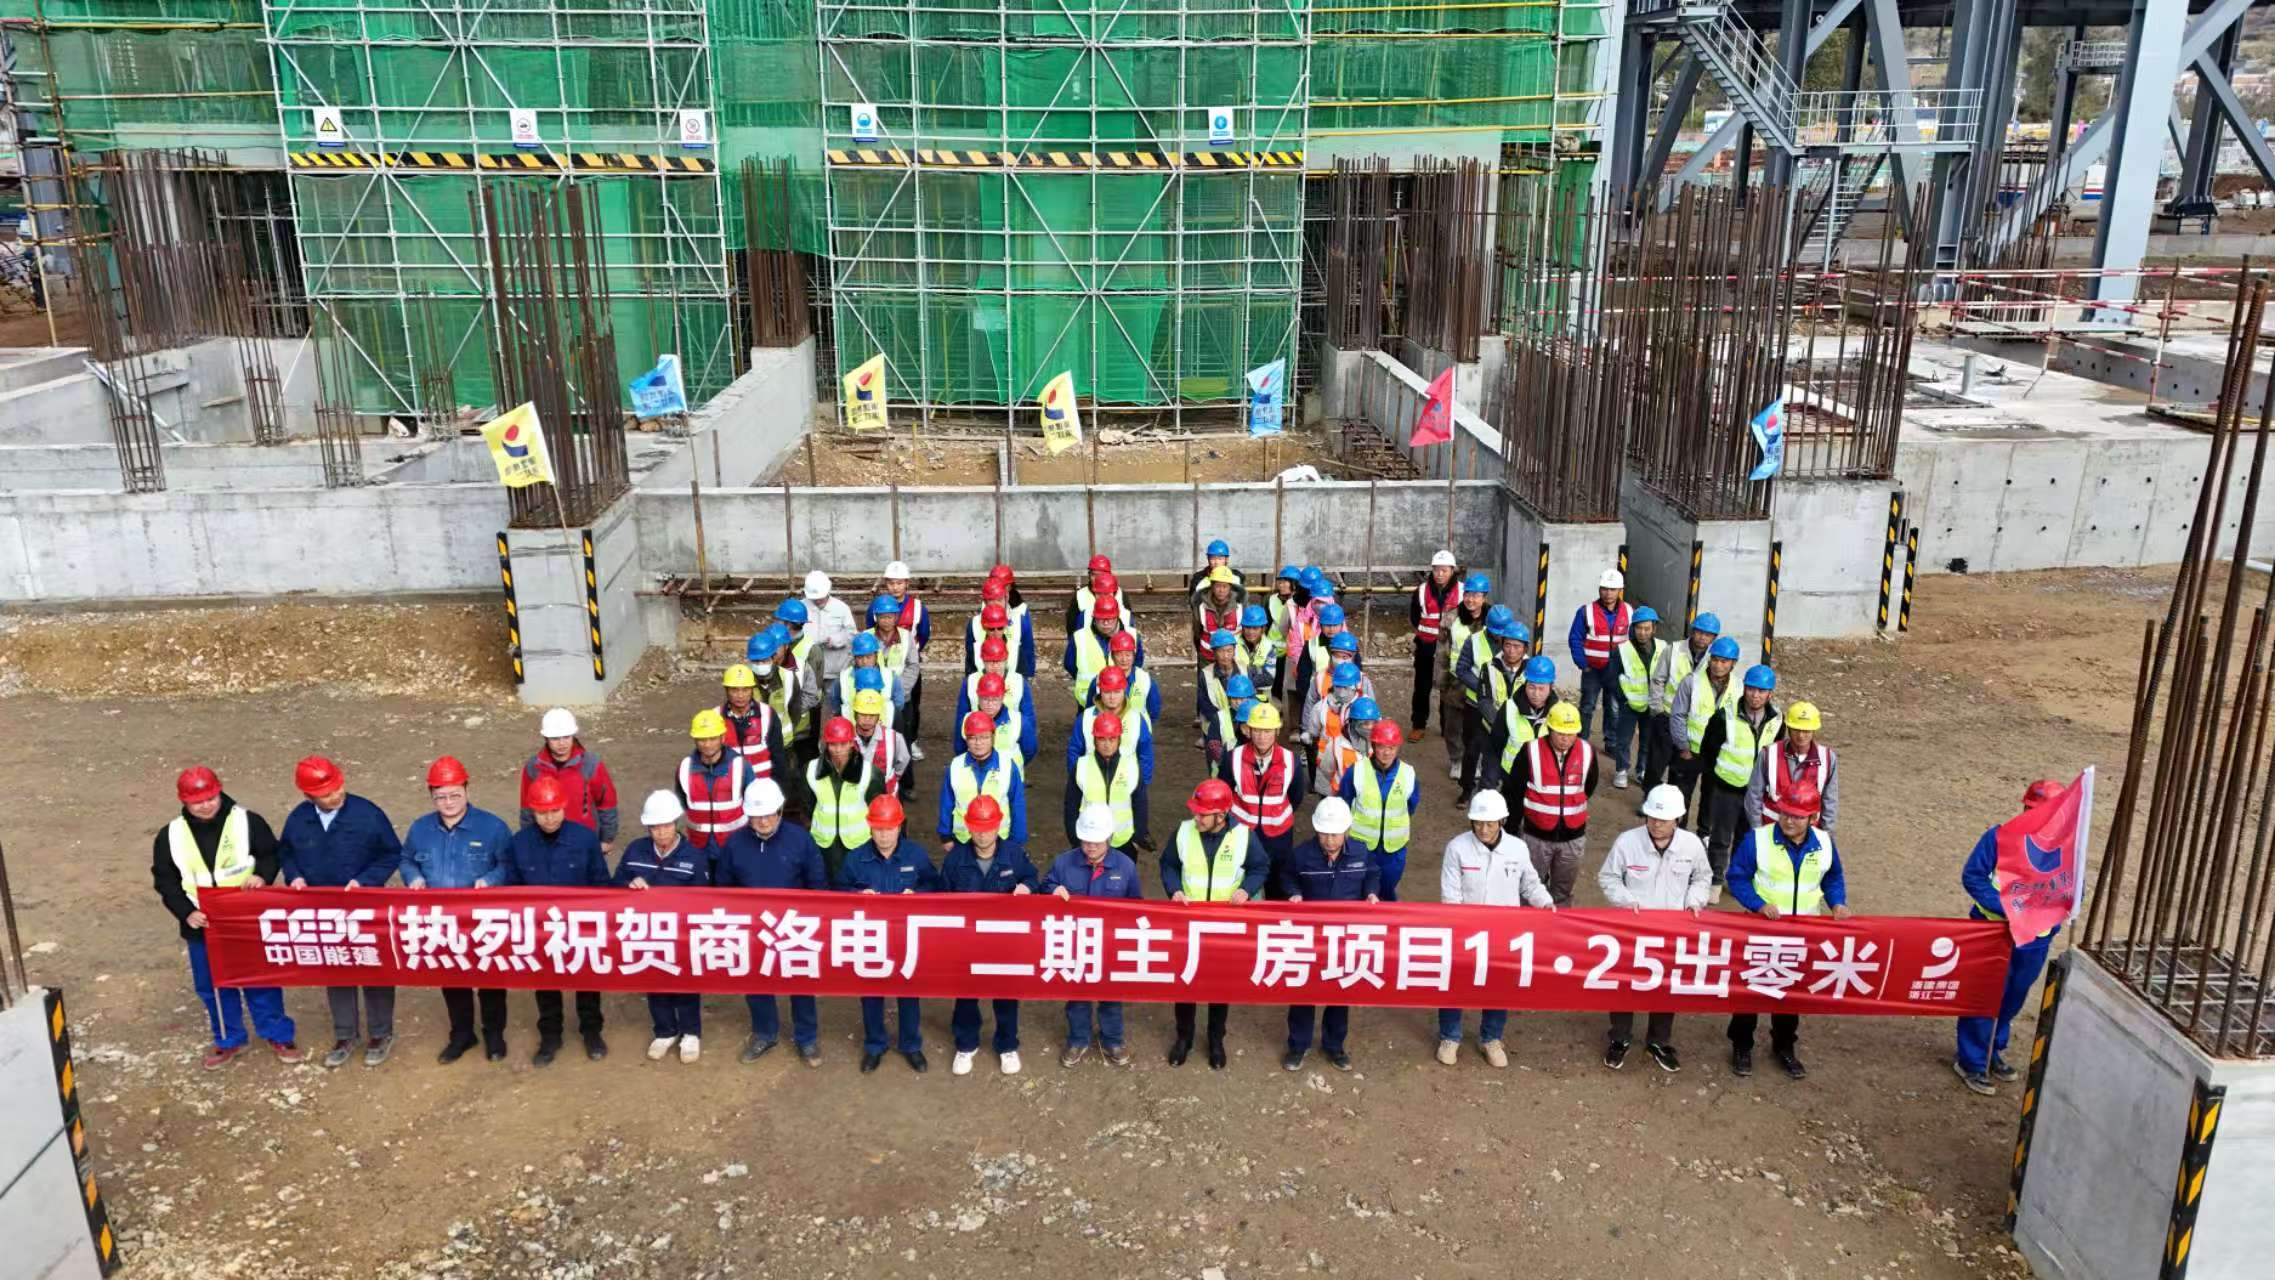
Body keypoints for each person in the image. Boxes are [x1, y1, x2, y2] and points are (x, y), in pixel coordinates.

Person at [151, 766, 300, 1068]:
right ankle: (228, 1039)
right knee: (214, 986)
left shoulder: (247, 822)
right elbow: (165, 880)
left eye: (210, 798)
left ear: (220, 792)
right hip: (203, 924)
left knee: (260, 979)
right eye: (197, 801)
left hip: (246, 919)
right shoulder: (171, 835)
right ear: (184, 801)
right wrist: (186, 913)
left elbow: (271, 854)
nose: (206, 805)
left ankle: (277, 1034)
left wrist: (262, 875)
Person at [279, 754, 402, 1069]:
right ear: (308, 795)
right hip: (323, 911)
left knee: (374, 967)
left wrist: (365, 881)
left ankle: (381, 1033)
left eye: (337, 788)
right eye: (326, 793)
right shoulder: (298, 819)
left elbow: (391, 853)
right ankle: (345, 1035)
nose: (335, 795)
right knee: (337, 970)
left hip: (365, 907)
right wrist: (295, 876)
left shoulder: (368, 814)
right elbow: (286, 853)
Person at [1725, 779, 1850, 1080]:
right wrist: (1757, 904)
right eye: (1784, 813)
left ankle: (1784, 1046)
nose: (1788, 821)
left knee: (1791, 992)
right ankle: (1741, 1045)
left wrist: (1837, 903)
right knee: (1750, 990)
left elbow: (1832, 877)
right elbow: (1737, 876)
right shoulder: (1758, 840)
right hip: (1761, 932)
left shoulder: (1824, 844)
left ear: (1812, 818)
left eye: (1797, 816)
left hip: (1801, 935)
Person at [399, 755, 514, 1064]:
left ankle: (494, 1034)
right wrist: (414, 877)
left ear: (467, 789)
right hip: (442, 921)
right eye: (440, 797)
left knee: (490, 980)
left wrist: (491, 880)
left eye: (454, 795)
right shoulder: (421, 829)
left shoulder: (492, 827)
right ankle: (462, 1035)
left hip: (483, 919)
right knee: (452, 978)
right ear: (431, 795)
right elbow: (407, 858)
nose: (448, 803)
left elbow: (509, 863)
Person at [1954, 779, 2065, 1096]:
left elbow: (2073, 889)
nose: (2034, 816)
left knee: (2014, 996)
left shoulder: (2066, 848)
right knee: (1984, 995)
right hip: (1993, 933)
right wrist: (2007, 908)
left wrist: (2053, 916)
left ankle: (1993, 1050)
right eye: (2030, 809)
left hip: (2033, 940)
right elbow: (1973, 876)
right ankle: (1972, 1061)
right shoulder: (1998, 837)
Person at [712, 779, 828, 1066]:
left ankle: (807, 1038)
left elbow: (817, 884)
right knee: (756, 982)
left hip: (794, 927)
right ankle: (765, 1033)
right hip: (753, 929)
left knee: (801, 983)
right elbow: (723, 887)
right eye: (756, 816)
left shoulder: (800, 840)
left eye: (768, 815)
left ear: (779, 810)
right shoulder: (735, 844)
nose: (763, 821)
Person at [1435, 790, 1553, 1068]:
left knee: (1499, 983)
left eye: (1490, 823)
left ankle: (1491, 1038)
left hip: (1504, 930)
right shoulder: (1457, 848)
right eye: (1478, 823)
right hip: (1465, 929)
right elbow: (1451, 893)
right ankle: (1450, 1036)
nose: (1483, 829)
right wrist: (1458, 924)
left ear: (1502, 821)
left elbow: (1530, 884)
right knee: (1455, 981)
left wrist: (1546, 903)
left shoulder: (1517, 849)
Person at [1598, 784, 1710, 1072]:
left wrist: (1694, 902)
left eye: (1664, 819)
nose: (1656, 824)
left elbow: (1702, 878)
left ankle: (1659, 1041)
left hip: (1672, 930)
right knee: (1624, 982)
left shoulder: (1692, 846)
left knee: (1667, 985)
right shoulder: (1628, 842)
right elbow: (1609, 877)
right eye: (1652, 817)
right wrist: (1626, 901)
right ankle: (1619, 1037)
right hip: (1632, 928)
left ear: (1678, 819)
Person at [500, 776, 613, 1065]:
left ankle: (592, 1031)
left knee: (587, 979)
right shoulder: (519, 844)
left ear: (564, 807)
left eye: (554, 811)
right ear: (532, 811)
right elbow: (512, 888)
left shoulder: (585, 839)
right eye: (542, 812)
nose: (549, 818)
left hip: (580, 925)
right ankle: (550, 1036)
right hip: (541, 929)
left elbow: (601, 882)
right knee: (545, 981)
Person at [1163, 780, 1268, 1069]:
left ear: (1221, 816)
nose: (1196, 817)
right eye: (1195, 812)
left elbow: (1260, 866)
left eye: (1202, 814)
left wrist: (1246, 889)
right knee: (1186, 982)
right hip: (1188, 923)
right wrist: (1174, 890)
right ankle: (1183, 1038)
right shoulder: (1183, 832)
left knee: (1220, 985)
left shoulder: (1243, 836)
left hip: (1225, 926)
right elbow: (1168, 864)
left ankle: (1216, 1039)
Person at [836, 796, 940, 1072]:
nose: (884, 835)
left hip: (905, 936)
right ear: (870, 827)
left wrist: (917, 894)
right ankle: (874, 1045)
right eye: (878, 829)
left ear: (900, 826)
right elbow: (837, 892)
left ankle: (911, 1045)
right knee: (871, 993)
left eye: (890, 828)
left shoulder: (915, 855)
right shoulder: (856, 858)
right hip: (870, 938)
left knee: (909, 992)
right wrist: (857, 894)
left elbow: (935, 885)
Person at [1279, 797, 1378, 1072]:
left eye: (1335, 834)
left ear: (1346, 831)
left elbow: (1373, 874)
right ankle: (1298, 1046)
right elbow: (1287, 876)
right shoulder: (1302, 855)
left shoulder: (1361, 852)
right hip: (1311, 936)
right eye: (1324, 834)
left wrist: (1371, 892)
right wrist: (1294, 892)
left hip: (1345, 936)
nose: (1329, 840)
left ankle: (1334, 1046)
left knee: (1340, 991)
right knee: (1304, 991)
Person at [942, 795, 1038, 1076]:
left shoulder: (1014, 855)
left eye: (988, 828)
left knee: (1006, 994)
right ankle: (966, 1044)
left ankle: (1007, 1045)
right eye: (977, 828)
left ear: (998, 826)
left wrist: (1027, 887)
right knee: (966, 995)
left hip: (1004, 941)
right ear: (968, 827)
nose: (983, 834)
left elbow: (1033, 878)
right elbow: (940, 898)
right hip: (966, 941)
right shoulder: (955, 859)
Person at [1043, 804, 1145, 1067]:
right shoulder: (1064, 863)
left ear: (1109, 838)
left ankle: (1112, 1039)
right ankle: (1078, 1039)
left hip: (1111, 943)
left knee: (1111, 992)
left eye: (1096, 842)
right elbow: (1046, 885)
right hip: (1076, 941)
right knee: (1077, 993)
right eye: (1086, 841)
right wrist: (1053, 890)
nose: (1090, 847)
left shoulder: (1125, 866)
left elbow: (1136, 904)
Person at [614, 791, 711, 1064]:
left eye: (666, 825)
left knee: (686, 981)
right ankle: (665, 1031)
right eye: (655, 827)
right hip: (648, 932)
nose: (661, 832)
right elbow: (615, 882)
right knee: (655, 979)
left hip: (682, 934)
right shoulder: (635, 851)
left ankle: (690, 1032)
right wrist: (628, 884)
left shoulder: (694, 857)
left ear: (676, 823)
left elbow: (704, 899)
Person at [1502, 702, 1599, 907]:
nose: (1565, 738)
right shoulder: (1531, 751)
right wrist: (1511, 830)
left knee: (1563, 891)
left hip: (1572, 837)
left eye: (1570, 734)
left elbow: (1589, 786)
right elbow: (1514, 791)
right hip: (1536, 837)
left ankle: (1559, 924)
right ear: (1550, 728)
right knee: (1529, 888)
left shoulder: (1587, 752)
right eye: (1560, 733)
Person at [1698, 664, 1781, 900]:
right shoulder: (1724, 716)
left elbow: (1777, 754)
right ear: (1744, 688)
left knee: (1746, 838)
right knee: (1720, 837)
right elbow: (1708, 750)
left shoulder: (1777, 721)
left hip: (1756, 793)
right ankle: (1715, 881)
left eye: (1761, 691)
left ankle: (1735, 880)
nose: (1755, 695)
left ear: (1770, 694)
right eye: (1751, 689)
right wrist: (1716, 780)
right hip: (1727, 788)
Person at [1219, 702, 1308, 897]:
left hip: (1278, 839)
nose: (1262, 736)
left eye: (1267, 731)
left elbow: (1295, 797)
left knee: (1278, 891)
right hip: (1242, 836)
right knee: (1242, 891)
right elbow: (1224, 794)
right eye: (1257, 731)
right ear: (1248, 731)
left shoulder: (1291, 761)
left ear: (1277, 731)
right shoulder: (1232, 758)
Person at [1669, 634, 1741, 849]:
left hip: (1718, 754)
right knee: (1681, 794)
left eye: (1724, 661)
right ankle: (1678, 832)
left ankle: (1704, 833)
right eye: (1715, 660)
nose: (1718, 665)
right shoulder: (1691, 681)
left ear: (1733, 664)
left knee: (1711, 795)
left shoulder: (1739, 687)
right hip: (1690, 751)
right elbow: (1678, 715)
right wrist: (1683, 747)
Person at [520, 707, 621, 854]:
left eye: (566, 737)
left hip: (584, 839)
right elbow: (527, 806)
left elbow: (607, 803)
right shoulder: (534, 767)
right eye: (555, 738)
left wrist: (607, 839)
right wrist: (528, 838)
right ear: (546, 738)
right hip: (546, 838)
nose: (562, 743)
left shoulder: (591, 764)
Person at [1339, 720, 1420, 901]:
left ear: (1398, 748)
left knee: (1386, 892)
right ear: (1374, 745)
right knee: (1359, 893)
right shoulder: (1357, 771)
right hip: (1361, 848)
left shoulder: (1408, 774)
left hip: (1393, 851)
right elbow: (1344, 803)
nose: (1386, 752)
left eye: (1391, 747)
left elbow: (1411, 805)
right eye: (1382, 747)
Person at [1455, 605, 1526, 795]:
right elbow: (1461, 669)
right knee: (1472, 750)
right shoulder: (1474, 641)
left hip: (1509, 715)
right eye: (1497, 633)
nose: (1500, 638)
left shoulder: (1519, 652)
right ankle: (1466, 789)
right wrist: (1484, 686)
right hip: (1476, 706)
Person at [1648, 611, 1720, 792]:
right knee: (1656, 763)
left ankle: (1674, 803)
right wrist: (1657, 710)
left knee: (1681, 770)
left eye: (1708, 635)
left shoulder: (1715, 658)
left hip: (1691, 725)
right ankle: (1649, 796)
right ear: (1692, 631)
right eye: (1700, 632)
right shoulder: (1673, 650)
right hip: (1666, 717)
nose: (1703, 637)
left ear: (1714, 638)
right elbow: (1658, 680)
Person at [805, 715, 883, 878]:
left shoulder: (869, 773)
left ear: (851, 743)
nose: (838, 750)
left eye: (843, 744)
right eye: (833, 744)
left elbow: (878, 811)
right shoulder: (810, 770)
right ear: (826, 744)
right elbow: (808, 805)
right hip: (824, 846)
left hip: (859, 845)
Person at [1568, 568, 1633, 762]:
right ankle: (1581, 741)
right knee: (1587, 706)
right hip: (1593, 670)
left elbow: (1633, 641)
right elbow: (1575, 638)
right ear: (1599, 589)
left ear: (1620, 590)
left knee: (1613, 707)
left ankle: (1611, 743)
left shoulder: (1629, 612)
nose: (1608, 593)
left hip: (1616, 670)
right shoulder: (1586, 611)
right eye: (1604, 588)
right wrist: (1583, 664)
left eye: (1612, 589)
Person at [940, 710, 1028, 852]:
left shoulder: (1008, 766)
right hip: (963, 841)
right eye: (972, 738)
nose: (978, 743)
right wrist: (945, 836)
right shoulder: (955, 766)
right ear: (966, 739)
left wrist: (1017, 841)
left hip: (1000, 840)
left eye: (984, 737)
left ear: (993, 737)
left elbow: (1017, 804)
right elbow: (947, 802)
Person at [1746, 700, 1839, 831]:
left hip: (1808, 834)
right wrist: (1757, 832)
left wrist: (1826, 836)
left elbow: (1830, 802)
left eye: (1806, 731)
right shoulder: (1769, 754)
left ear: (1813, 731)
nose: (1801, 735)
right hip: (1771, 830)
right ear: (1788, 728)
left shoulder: (1828, 758)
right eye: (1796, 729)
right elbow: (1754, 796)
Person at [1067, 711, 1150, 856]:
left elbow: (1140, 804)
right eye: (1102, 739)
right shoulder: (1081, 766)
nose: (1107, 745)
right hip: (1090, 842)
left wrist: (1137, 838)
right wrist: (1075, 840)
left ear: (1119, 739)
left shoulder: (1132, 767)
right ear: (1094, 740)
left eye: (1112, 739)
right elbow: (1070, 805)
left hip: (1123, 843)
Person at [1438, 572, 1492, 772]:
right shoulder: (1451, 618)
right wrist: (1441, 681)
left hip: (1483, 682)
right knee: (1453, 725)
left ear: (1484, 597)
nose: (1470, 599)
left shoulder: (1492, 619)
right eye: (1467, 594)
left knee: (1480, 725)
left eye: (1476, 595)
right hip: (1455, 681)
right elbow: (1442, 651)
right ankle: (1456, 760)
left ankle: (1475, 761)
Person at [1610, 605, 1667, 792]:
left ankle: (1641, 770)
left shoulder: (1663, 648)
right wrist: (1622, 698)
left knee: (1647, 741)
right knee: (1623, 739)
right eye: (1639, 628)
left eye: (1647, 628)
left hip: (1653, 704)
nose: (1642, 632)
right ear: (1633, 628)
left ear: (1654, 628)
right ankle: (1621, 770)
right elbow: (1611, 678)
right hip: (1630, 704)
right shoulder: (1622, 650)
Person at [1482, 653, 1558, 792]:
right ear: (1525, 683)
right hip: (1512, 780)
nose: (1536, 694)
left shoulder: (1559, 712)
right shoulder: (1509, 708)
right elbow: (1494, 748)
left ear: (1551, 686)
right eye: (1532, 687)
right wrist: (1489, 783)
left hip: (1546, 783)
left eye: (1541, 688)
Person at [1409, 550, 1463, 742]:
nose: (1440, 574)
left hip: (1450, 650)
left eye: (1444, 570)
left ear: (1452, 570)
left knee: (1447, 689)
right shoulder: (1421, 591)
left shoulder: (1463, 592)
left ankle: (1446, 726)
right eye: (1436, 570)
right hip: (1426, 648)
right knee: (1422, 687)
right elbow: (1415, 617)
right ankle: (1418, 725)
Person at [1069, 666, 1156, 784]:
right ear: (1100, 690)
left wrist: (1142, 785)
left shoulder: (1136, 719)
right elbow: (1074, 752)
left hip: (1126, 787)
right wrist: (1077, 783)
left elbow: (1145, 756)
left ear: (1124, 689)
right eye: (1107, 692)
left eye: (1116, 691)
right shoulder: (1085, 719)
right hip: (1092, 786)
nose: (1112, 697)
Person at [718, 662, 793, 791]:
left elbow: (778, 758)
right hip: (729, 789)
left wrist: (778, 791)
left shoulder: (767, 714)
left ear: (752, 690)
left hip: (762, 789)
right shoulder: (716, 717)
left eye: (745, 689)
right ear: (726, 690)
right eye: (734, 690)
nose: (740, 695)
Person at [867, 594, 925, 759]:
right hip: (874, 697)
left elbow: (913, 666)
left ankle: (904, 772)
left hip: (901, 699)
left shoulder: (906, 637)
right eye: (882, 617)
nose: (886, 621)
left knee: (902, 738)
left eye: (890, 617)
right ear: (876, 617)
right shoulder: (867, 637)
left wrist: (900, 690)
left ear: (896, 617)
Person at [1062, 591, 1142, 703]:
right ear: (1094, 617)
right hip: (1088, 701)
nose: (1106, 623)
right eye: (1101, 618)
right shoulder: (1079, 638)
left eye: (1110, 618)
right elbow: (1070, 665)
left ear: (1117, 616)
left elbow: (1137, 664)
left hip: (1121, 701)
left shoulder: (1132, 635)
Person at [958, 670, 1037, 770]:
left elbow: (1029, 751)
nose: (990, 704)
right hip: (976, 776)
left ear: (1003, 697)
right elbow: (960, 750)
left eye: (995, 699)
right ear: (978, 697)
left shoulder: (1019, 722)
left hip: (1010, 778)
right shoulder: (966, 720)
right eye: (985, 698)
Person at [801, 569, 860, 687]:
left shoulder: (841, 608)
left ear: (828, 590)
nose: (818, 600)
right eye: (814, 598)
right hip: (807, 670)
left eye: (821, 597)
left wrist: (837, 640)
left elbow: (852, 634)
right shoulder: (801, 608)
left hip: (835, 670)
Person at [965, 588, 1036, 680]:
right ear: (984, 628)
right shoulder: (976, 649)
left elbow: (1023, 679)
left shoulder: (1015, 649)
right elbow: (970, 675)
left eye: (1000, 628)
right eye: (991, 629)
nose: (996, 632)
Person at [1192, 567, 1245, 663]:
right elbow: (1197, 632)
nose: (1221, 590)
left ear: (1230, 587)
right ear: (1212, 586)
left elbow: (1246, 632)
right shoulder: (1201, 606)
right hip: (1208, 657)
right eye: (1218, 586)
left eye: (1225, 586)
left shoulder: (1240, 606)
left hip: (1233, 659)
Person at [1188, 538, 1245, 603]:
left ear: (1226, 559)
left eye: (1220, 559)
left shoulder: (1236, 576)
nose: (1216, 562)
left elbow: (1241, 599)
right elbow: (1193, 601)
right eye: (1213, 558)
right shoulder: (1198, 578)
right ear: (1208, 559)